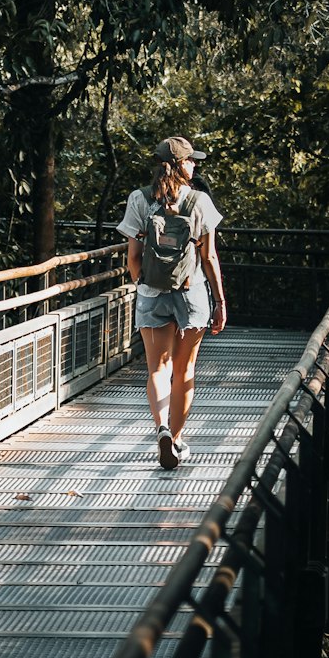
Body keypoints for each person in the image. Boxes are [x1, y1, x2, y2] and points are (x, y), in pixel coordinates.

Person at [117, 135, 227, 469]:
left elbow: (132, 258)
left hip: (152, 294)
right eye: (192, 160)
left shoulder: (139, 199)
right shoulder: (200, 201)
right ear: (181, 164)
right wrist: (220, 301)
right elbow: (208, 257)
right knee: (184, 371)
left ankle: (162, 428)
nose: (195, 165)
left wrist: (145, 283)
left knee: (157, 368)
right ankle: (177, 442)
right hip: (191, 294)